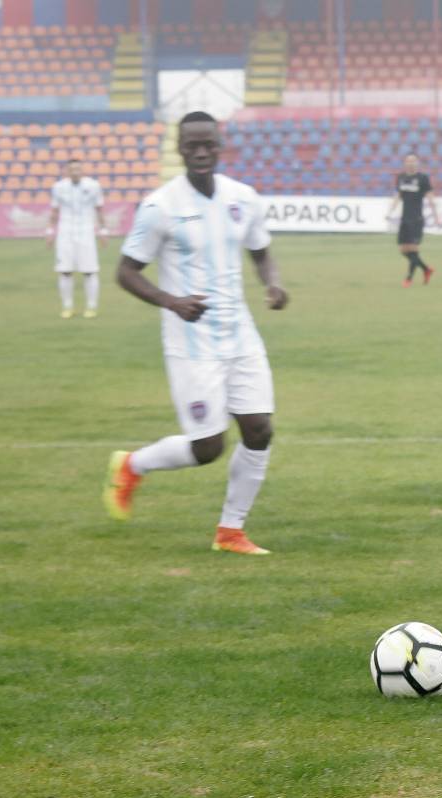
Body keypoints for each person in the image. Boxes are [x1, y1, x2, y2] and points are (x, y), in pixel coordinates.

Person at [103, 111, 289, 556]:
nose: (201, 152)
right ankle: (132, 465)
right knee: (207, 448)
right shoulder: (160, 206)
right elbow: (126, 272)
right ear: (180, 149)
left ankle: (231, 531)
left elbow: (261, 252)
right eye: (192, 145)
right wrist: (172, 301)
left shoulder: (242, 198)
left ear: (220, 146)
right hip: (192, 343)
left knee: (259, 429)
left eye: (208, 144)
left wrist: (273, 284)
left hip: (240, 335)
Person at [48, 158, 107, 318]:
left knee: (90, 271)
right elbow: (54, 210)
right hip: (65, 231)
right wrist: (50, 231)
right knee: (65, 270)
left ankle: (91, 307)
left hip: (86, 231)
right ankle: (67, 307)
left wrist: (103, 231)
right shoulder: (58, 187)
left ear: (82, 170)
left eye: (78, 169)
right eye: (72, 169)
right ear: (67, 171)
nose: (75, 172)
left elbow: (99, 209)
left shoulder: (93, 186)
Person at [387, 153, 441, 287]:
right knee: (403, 249)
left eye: (413, 161)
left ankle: (409, 278)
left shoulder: (423, 178)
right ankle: (426, 269)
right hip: (404, 218)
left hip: (416, 219)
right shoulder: (401, 177)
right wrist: (390, 211)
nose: (410, 163)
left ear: (417, 162)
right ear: (405, 163)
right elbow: (398, 196)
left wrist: (437, 216)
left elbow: (431, 198)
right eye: (408, 161)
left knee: (412, 248)